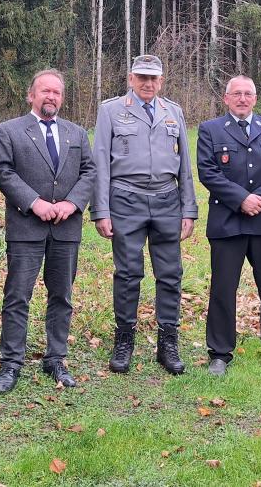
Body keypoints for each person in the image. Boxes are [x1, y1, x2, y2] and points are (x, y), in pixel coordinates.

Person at [91, 54, 198, 375]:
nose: (148, 83)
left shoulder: (173, 112)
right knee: (127, 273)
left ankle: (168, 342)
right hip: (126, 200)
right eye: (142, 77)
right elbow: (100, 164)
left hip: (167, 201)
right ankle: (124, 340)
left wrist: (188, 209)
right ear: (131, 78)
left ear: (161, 81)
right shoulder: (111, 110)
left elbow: (185, 167)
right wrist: (101, 210)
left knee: (170, 274)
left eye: (153, 78)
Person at [0, 69, 96, 392]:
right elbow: (3, 171)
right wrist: (34, 202)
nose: (51, 97)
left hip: (66, 228)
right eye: (45, 91)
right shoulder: (9, 131)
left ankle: (56, 359)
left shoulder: (76, 133)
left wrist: (72, 203)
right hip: (27, 226)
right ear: (31, 95)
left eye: (57, 93)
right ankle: (10, 362)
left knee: (61, 295)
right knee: (17, 296)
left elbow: (89, 171)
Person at [197, 76, 261, 377]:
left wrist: (260, 198)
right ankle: (219, 353)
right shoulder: (210, 129)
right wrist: (241, 199)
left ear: (255, 98)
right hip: (228, 220)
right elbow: (208, 172)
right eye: (236, 94)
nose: (242, 98)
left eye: (248, 94)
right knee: (223, 289)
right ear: (226, 99)